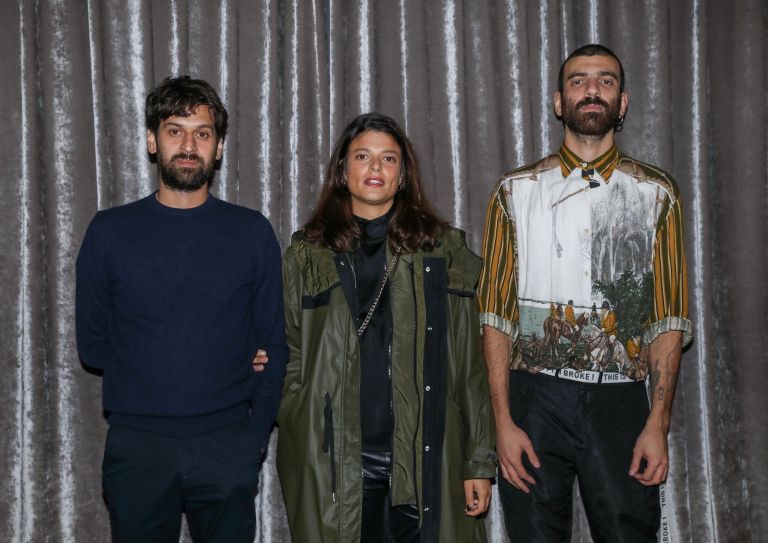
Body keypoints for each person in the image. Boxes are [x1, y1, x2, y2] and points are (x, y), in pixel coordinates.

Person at [478, 44, 694, 542]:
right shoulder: (515, 191)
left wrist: (657, 424)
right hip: (533, 396)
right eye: (578, 81)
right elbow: (495, 316)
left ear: (622, 103)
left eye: (605, 81)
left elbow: (668, 319)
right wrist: (503, 423)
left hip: (620, 400)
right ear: (558, 102)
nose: (591, 90)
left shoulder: (657, 193)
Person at [76, 76, 287, 542]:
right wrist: (176, 360)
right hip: (138, 448)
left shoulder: (251, 232)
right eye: (175, 130)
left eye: (202, 133)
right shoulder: (109, 232)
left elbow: (275, 344)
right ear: (153, 140)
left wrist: (250, 443)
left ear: (219, 147)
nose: (188, 144)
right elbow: (92, 345)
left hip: (227, 444)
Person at [276, 113, 496, 542]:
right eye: (363, 156)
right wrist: (300, 420)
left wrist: (478, 462)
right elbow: (289, 353)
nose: (375, 168)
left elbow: (470, 364)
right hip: (336, 459)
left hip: (424, 458)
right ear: (343, 170)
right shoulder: (307, 255)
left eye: (388, 159)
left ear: (403, 174)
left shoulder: (442, 252)